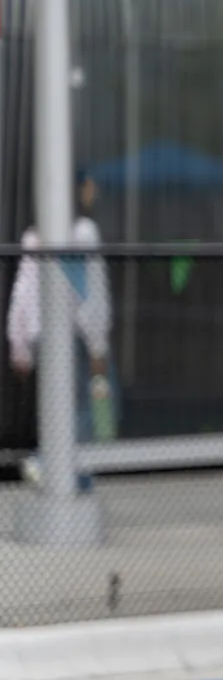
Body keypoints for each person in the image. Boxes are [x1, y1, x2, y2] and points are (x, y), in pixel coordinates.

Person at [7, 171, 119, 487]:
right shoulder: (83, 231)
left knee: (57, 408)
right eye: (88, 185)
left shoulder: (35, 235)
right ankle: (56, 468)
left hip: (42, 335)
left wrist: (20, 345)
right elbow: (90, 292)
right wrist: (98, 345)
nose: (93, 190)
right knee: (86, 410)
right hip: (74, 336)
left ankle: (62, 473)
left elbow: (23, 293)